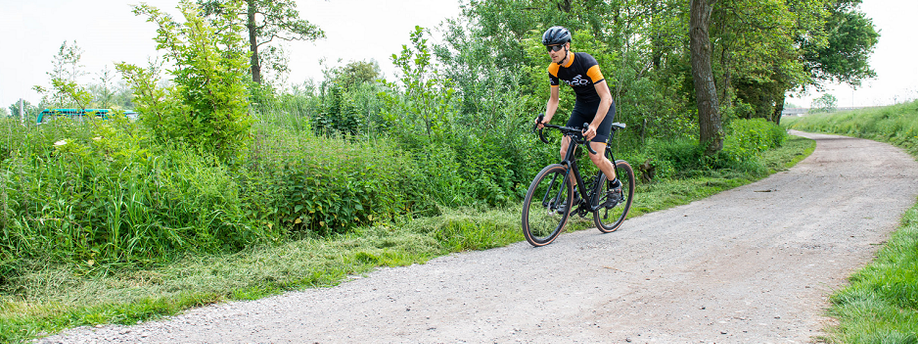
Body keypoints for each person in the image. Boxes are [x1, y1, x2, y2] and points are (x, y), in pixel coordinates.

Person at [536, 26, 620, 207]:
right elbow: (553, 99)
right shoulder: (554, 69)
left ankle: (615, 185)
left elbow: (606, 98)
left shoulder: (586, 62)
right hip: (582, 108)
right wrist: (547, 118)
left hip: (602, 107)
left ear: (567, 46)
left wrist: (595, 125)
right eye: (549, 48)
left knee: (596, 156)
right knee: (564, 151)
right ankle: (573, 193)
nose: (552, 52)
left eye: (556, 47)